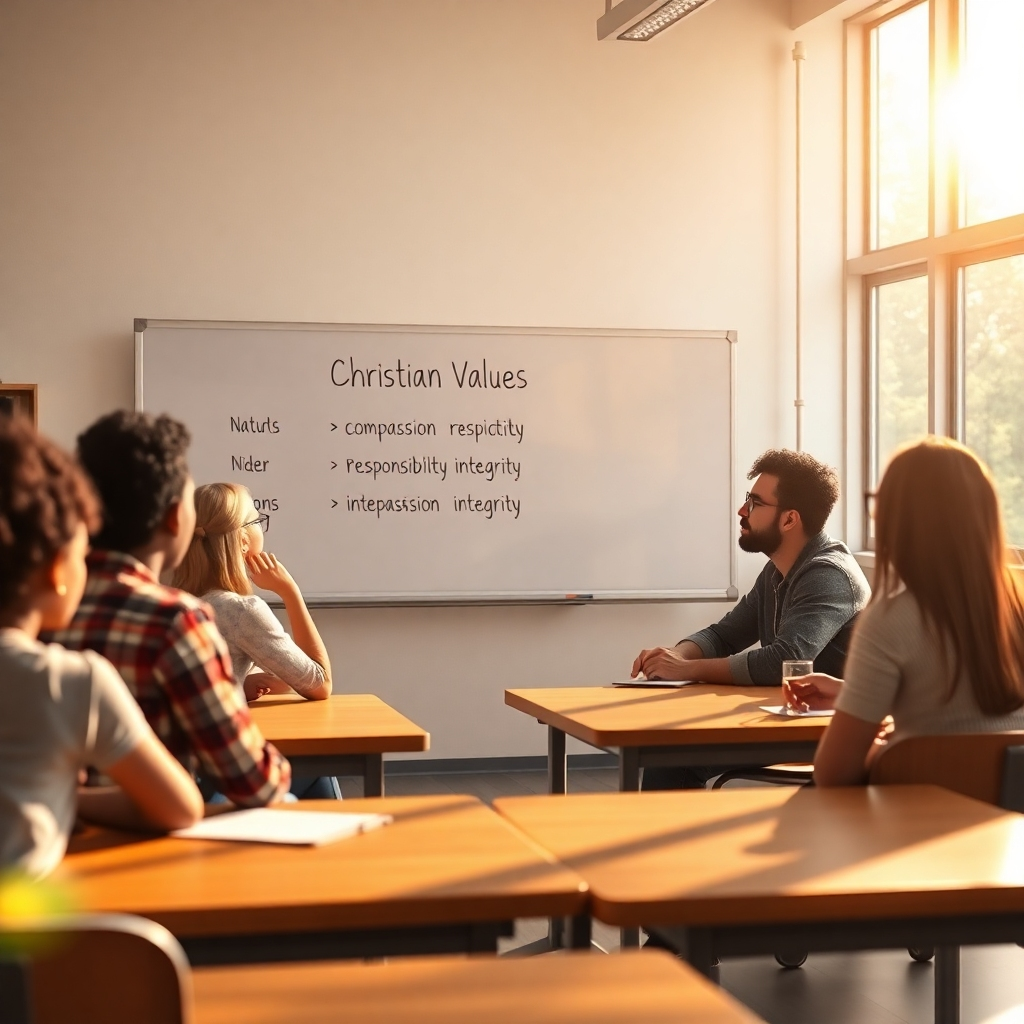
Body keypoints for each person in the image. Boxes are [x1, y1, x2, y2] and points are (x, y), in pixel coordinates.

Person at [44, 411, 291, 806]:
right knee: (293, 802)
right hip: (151, 840)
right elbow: (256, 784)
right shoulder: (175, 623)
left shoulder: (40, 613)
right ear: (176, 518)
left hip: (58, 837)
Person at [0, 417, 202, 878]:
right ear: (57, 567)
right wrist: (72, 794)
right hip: (24, 941)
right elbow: (180, 808)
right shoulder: (72, 682)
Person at [784, 439, 1024, 786]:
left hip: (918, 828)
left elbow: (834, 774)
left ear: (897, 520)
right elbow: (966, 717)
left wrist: (884, 749)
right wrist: (853, 693)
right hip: (1006, 831)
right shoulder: (1015, 606)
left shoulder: (890, 619)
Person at [632, 448, 870, 789]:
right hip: (786, 719)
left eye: (755, 503)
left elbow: (784, 661)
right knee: (669, 752)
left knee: (672, 760)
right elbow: (725, 635)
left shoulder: (828, 574)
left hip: (825, 731)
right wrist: (676, 655)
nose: (742, 511)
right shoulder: (777, 571)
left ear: (789, 519)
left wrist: (687, 671)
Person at [173, 482, 336, 799]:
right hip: (216, 778)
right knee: (318, 772)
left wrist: (238, 683)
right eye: (257, 520)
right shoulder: (239, 611)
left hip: (181, 772)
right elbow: (320, 682)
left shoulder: (175, 597)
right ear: (244, 540)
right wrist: (291, 593)